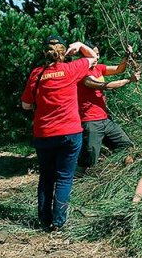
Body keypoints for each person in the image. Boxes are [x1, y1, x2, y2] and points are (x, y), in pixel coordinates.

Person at [21, 36, 98, 230]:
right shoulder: (72, 69)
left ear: (44, 53)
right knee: (64, 178)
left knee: (46, 178)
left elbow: (26, 105)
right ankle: (58, 222)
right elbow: (93, 58)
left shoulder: (37, 74)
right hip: (69, 133)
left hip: (44, 133)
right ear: (64, 53)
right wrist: (80, 45)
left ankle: (43, 220)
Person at [78, 44, 139, 171]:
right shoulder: (82, 73)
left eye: (97, 54)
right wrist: (129, 80)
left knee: (126, 146)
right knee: (90, 161)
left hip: (105, 119)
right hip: (90, 121)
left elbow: (119, 69)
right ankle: (81, 178)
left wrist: (126, 56)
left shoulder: (98, 68)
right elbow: (105, 85)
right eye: (92, 55)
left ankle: (115, 171)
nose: (96, 57)